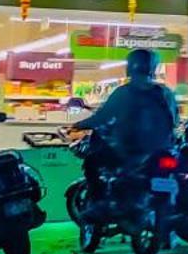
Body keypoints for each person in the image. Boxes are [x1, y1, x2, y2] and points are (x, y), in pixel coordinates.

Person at [67, 48, 180, 181]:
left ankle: (98, 198)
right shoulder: (165, 93)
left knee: (92, 161)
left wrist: (78, 126)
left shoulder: (123, 92)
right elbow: (175, 120)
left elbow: (102, 117)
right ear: (153, 67)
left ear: (130, 66)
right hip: (161, 149)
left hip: (127, 150)